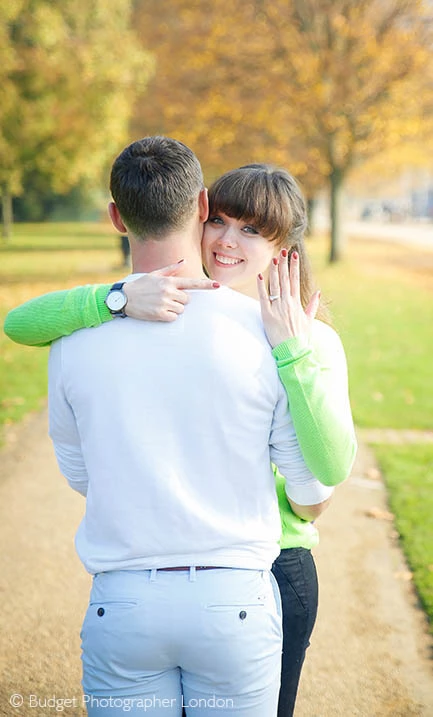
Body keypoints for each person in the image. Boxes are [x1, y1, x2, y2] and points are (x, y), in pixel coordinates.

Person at [4, 161, 357, 717]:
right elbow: (21, 323)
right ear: (198, 213)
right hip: (219, 573)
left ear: (284, 248)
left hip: (276, 562)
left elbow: (320, 485)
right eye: (219, 220)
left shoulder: (308, 340)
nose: (225, 240)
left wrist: (292, 356)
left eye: (251, 230)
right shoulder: (153, 306)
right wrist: (118, 296)